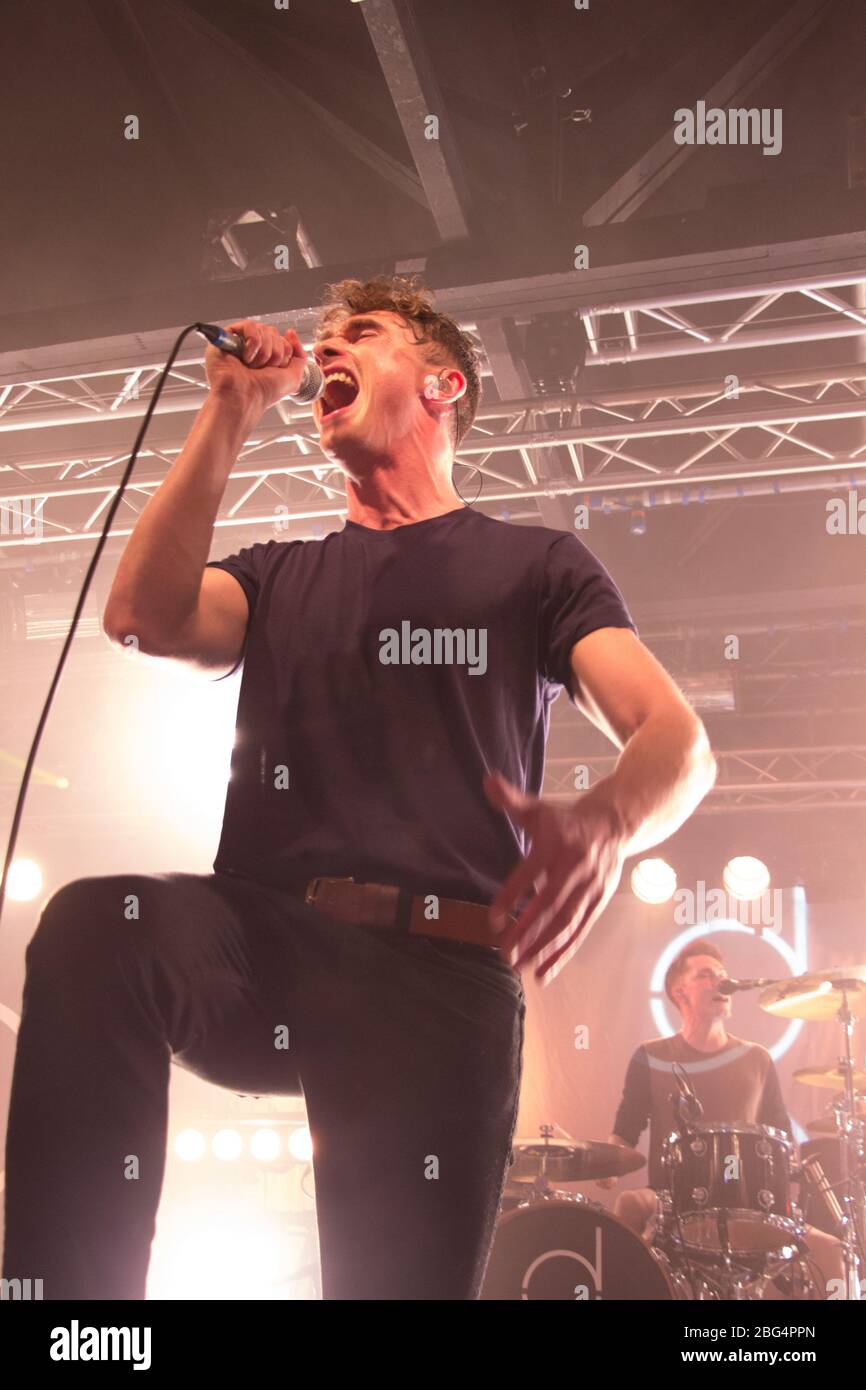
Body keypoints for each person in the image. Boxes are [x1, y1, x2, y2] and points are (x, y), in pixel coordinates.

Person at [2, 275, 716, 1300]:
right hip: (265, 943)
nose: (329, 346)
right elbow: (143, 616)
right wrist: (230, 407)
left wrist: (605, 818)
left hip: (434, 974)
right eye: (326, 336)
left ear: (441, 383)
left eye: (362, 334)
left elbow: (677, 739)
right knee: (95, 926)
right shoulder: (281, 574)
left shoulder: (534, 566)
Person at [601, 938, 844, 1295]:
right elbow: (625, 1132)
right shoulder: (650, 1056)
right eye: (706, 975)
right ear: (679, 992)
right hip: (672, 1199)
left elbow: (780, 1140)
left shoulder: (758, 1058)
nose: (721, 982)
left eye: (723, 975)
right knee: (627, 1204)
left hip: (750, 1201)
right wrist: (604, 1163)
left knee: (831, 1249)